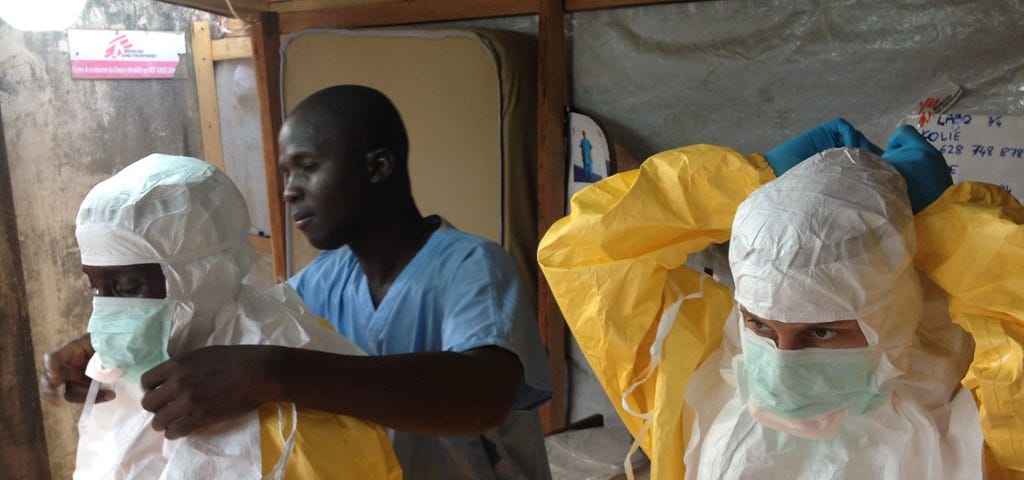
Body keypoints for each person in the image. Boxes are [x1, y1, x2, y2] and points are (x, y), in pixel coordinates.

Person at [44, 85, 554, 480]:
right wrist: (120, 335)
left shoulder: (472, 266)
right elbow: (230, 324)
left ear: (378, 167)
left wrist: (274, 371)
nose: (289, 192)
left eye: (307, 168)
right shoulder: (323, 281)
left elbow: (483, 394)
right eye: (285, 174)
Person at [537, 119, 1024, 479]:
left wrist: (946, 227)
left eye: (822, 331)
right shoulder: (701, 386)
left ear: (889, 316)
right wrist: (750, 180)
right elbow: (590, 255)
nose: (783, 363)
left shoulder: (978, 415)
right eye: (761, 325)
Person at [59, 153, 400, 478]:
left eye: (128, 288)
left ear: (203, 274)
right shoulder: (124, 372)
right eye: (96, 289)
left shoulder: (297, 408)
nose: (103, 316)